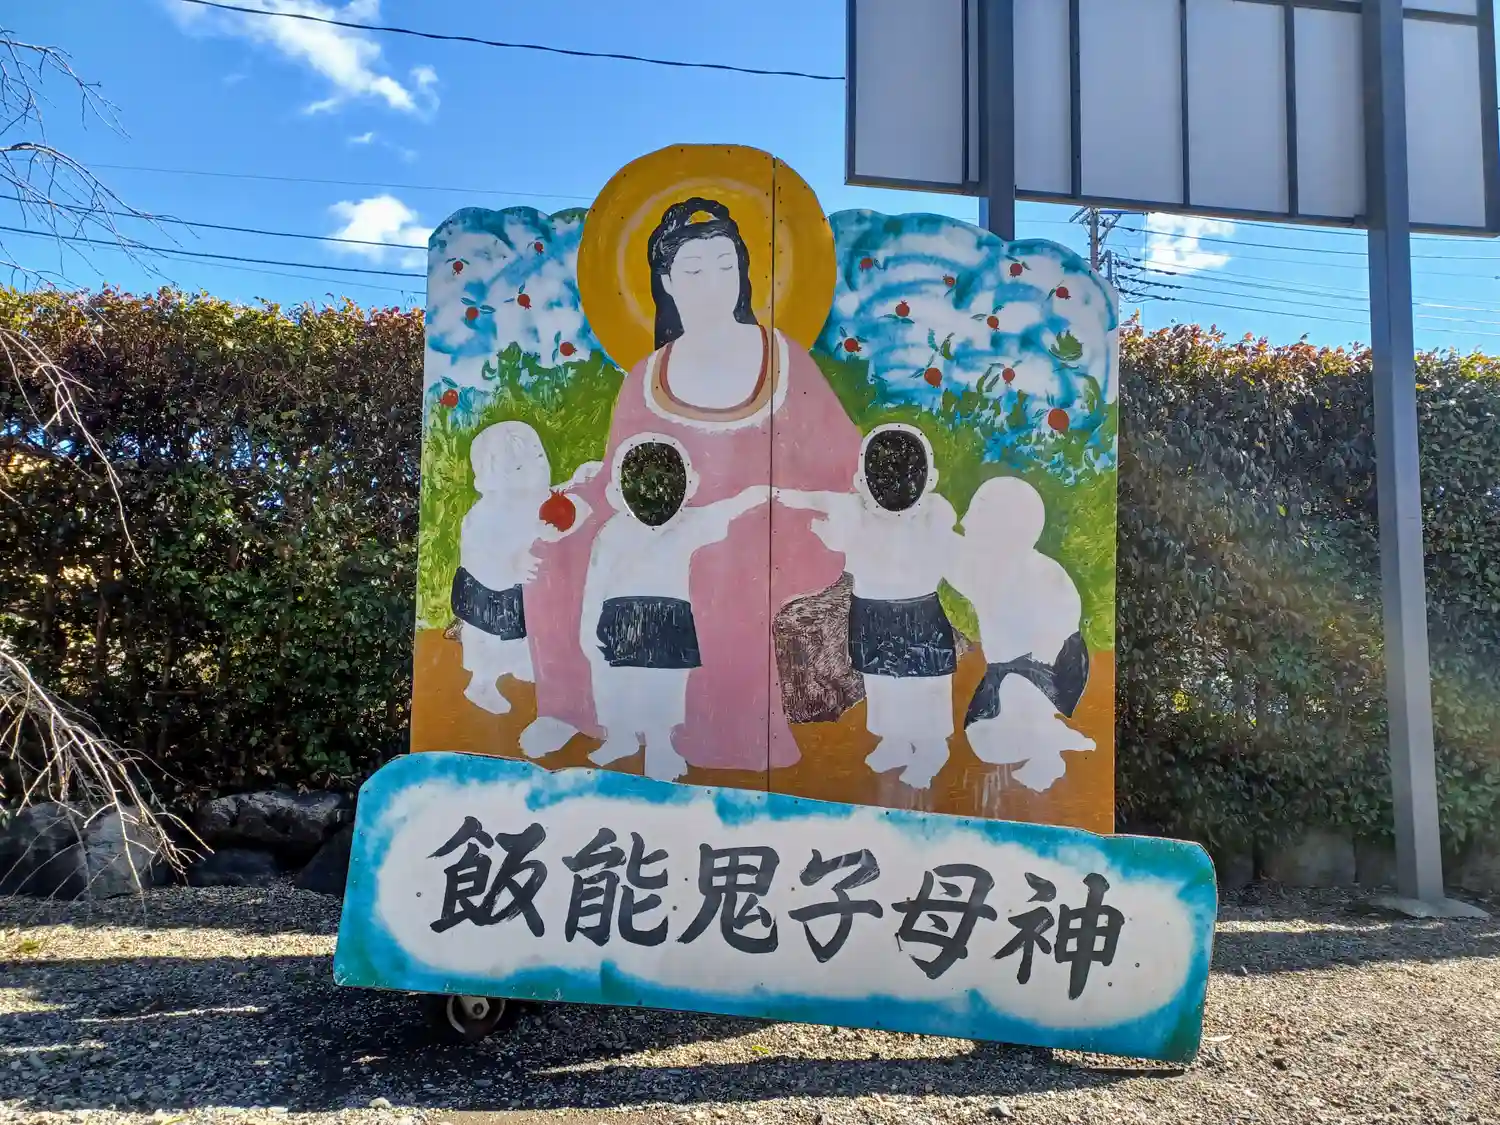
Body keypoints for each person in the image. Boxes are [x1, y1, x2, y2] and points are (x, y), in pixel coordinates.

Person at [519, 197, 863, 771]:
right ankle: (571, 707)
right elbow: (622, 471)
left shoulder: (783, 358)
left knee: (714, 564)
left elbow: (841, 458)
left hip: (773, 515)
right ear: (668, 282)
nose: (714, 283)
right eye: (695, 270)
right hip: (666, 516)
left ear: (745, 274)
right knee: (560, 547)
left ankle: (708, 735)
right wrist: (571, 508)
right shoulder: (648, 374)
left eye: (727, 266)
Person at [776, 425, 962, 789]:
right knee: (880, 681)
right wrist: (788, 498)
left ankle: (931, 748)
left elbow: (836, 526)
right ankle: (893, 741)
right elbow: (824, 502)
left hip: (919, 611)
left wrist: (826, 529)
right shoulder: (855, 511)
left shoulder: (934, 514)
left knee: (925, 682)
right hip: (872, 611)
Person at [580, 433, 769, 780]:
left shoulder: (687, 525)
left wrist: (754, 496)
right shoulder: (612, 531)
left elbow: (724, 510)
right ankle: (620, 738)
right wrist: (587, 626)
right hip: (617, 616)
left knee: (663, 686)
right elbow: (595, 582)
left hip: (667, 618)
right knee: (612, 683)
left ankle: (660, 747)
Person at [951, 475, 1094, 791]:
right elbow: (951, 557)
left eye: (977, 513)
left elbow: (1065, 642)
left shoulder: (1039, 575)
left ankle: (1047, 750)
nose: (965, 522)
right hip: (1008, 670)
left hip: (1041, 671)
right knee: (982, 739)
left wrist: (1032, 684)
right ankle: (1048, 737)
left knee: (1012, 704)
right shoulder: (989, 569)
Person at [453, 421, 592, 714]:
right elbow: (478, 557)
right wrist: (510, 567)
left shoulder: (536, 497)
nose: (535, 471)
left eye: (539, 458)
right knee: (490, 643)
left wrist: (577, 481)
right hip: (487, 594)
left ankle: (521, 664)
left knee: (525, 632)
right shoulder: (483, 517)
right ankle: (481, 684)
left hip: (521, 592)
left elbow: (557, 496)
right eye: (518, 468)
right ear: (488, 481)